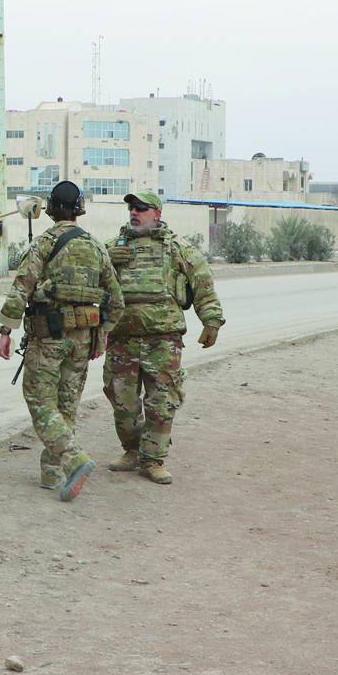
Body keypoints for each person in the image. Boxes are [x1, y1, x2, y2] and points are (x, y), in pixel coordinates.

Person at [0, 180, 124, 501]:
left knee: (40, 401)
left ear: (52, 209)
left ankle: (73, 459)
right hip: (83, 342)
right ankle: (52, 472)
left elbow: (21, 286)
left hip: (48, 336)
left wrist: (6, 330)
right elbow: (117, 301)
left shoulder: (44, 244)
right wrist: (103, 334)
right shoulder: (97, 248)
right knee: (66, 405)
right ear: (79, 209)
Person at [102, 189, 224, 484]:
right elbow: (85, 279)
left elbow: (202, 283)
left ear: (157, 213)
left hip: (163, 340)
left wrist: (211, 320)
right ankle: (132, 450)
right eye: (131, 207)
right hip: (122, 338)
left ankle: (153, 459)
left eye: (141, 208)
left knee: (162, 401)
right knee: (123, 400)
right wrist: (106, 260)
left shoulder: (177, 249)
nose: (134, 212)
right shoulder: (111, 248)